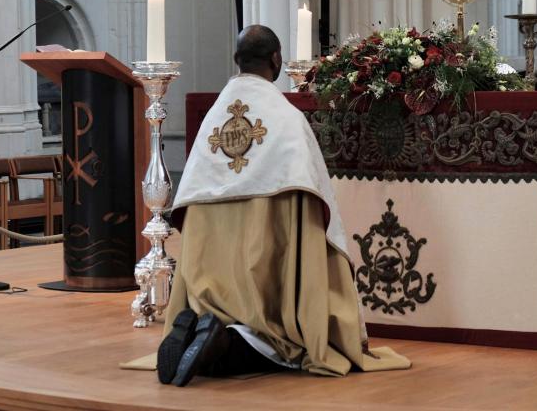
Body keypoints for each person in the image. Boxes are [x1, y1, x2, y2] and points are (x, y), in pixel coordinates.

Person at [155, 25, 409, 387]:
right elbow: (315, 206)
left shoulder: (213, 120)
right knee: (278, 348)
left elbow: (187, 205)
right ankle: (223, 339)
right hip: (265, 271)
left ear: (236, 61)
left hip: (209, 270)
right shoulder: (286, 120)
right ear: (276, 60)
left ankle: (200, 321)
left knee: (210, 343)